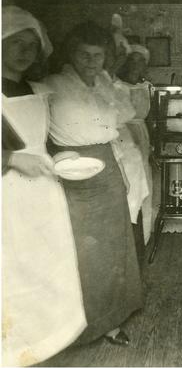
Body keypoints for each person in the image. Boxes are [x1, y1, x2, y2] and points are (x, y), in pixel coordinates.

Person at [42, 21, 143, 346]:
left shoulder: (103, 82)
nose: (90, 62)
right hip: (72, 169)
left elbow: (127, 113)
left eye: (97, 55)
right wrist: (59, 156)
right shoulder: (51, 84)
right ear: (71, 53)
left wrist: (109, 83)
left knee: (115, 245)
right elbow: (38, 132)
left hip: (108, 166)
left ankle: (113, 317)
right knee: (85, 252)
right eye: (84, 55)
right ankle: (83, 324)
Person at [2, 6, 87, 366]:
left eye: (31, 46)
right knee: (13, 269)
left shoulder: (36, 89)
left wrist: (61, 155)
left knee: (47, 265)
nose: (24, 51)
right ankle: (14, 349)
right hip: (7, 193)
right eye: (15, 42)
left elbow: (41, 140)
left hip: (44, 191)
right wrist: (8, 158)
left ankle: (47, 340)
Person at [115, 44, 154, 245]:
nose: (135, 64)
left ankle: (144, 235)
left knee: (144, 181)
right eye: (132, 59)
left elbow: (152, 116)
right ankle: (128, 238)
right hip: (121, 134)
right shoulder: (115, 85)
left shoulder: (147, 86)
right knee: (128, 182)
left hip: (141, 133)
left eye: (140, 61)